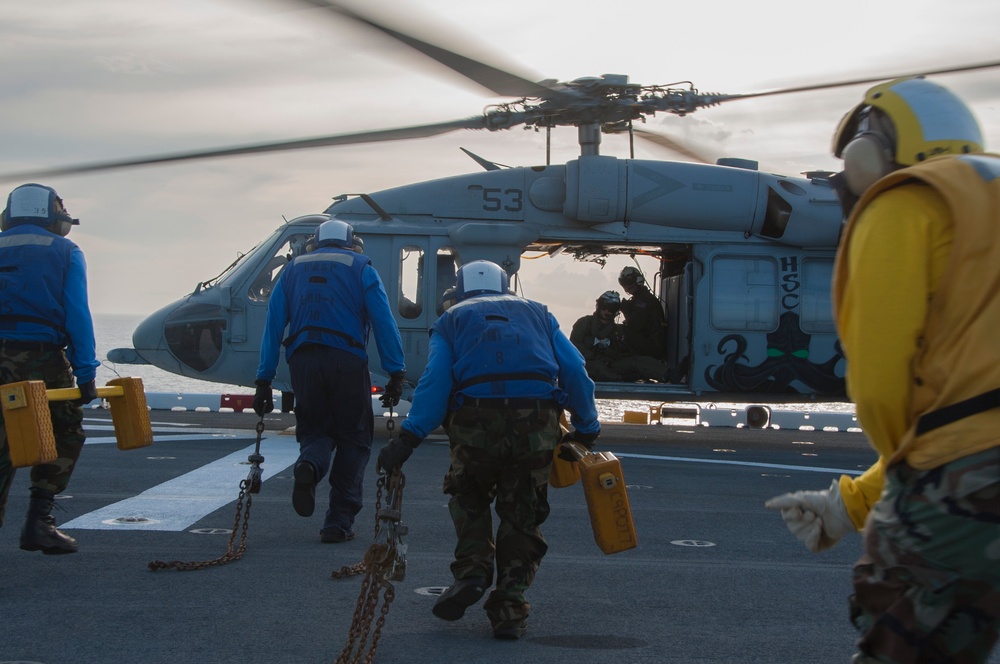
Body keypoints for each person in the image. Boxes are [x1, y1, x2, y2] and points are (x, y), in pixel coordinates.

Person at [765, 77, 1000, 663]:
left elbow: (882, 383)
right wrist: (850, 501)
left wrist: (897, 491)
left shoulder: (907, 198)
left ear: (867, 152)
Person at [375, 260, 600, 640]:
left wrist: (409, 437)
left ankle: (473, 572)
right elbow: (575, 369)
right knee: (522, 514)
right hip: (536, 424)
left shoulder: (451, 320)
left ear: (460, 290)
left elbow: (435, 382)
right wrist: (588, 428)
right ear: (505, 286)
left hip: (476, 425)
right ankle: (510, 607)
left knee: (469, 496)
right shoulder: (539, 314)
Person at [253, 217, 405, 544]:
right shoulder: (362, 267)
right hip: (347, 362)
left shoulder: (291, 271)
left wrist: (264, 379)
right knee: (354, 438)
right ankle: (338, 521)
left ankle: (309, 464)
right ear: (352, 243)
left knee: (316, 430)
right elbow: (383, 321)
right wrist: (396, 370)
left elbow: (273, 325)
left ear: (315, 242)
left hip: (303, 361)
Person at [0, 183, 100, 555]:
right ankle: (39, 521)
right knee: (66, 433)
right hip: (39, 359)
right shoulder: (65, 251)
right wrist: (86, 373)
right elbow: (77, 316)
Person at [570, 290, 668, 382]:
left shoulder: (619, 331)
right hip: (587, 364)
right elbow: (574, 346)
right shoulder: (584, 323)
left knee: (638, 361)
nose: (607, 311)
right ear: (599, 306)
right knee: (597, 366)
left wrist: (611, 351)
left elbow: (624, 353)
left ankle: (668, 374)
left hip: (611, 364)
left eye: (612, 309)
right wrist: (593, 356)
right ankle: (620, 378)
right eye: (604, 307)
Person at [618, 266, 668, 361]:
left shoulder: (644, 301)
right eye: (624, 284)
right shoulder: (641, 299)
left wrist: (625, 309)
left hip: (653, 348)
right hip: (651, 344)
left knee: (619, 330)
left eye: (628, 283)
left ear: (637, 281)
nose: (627, 287)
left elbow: (635, 327)